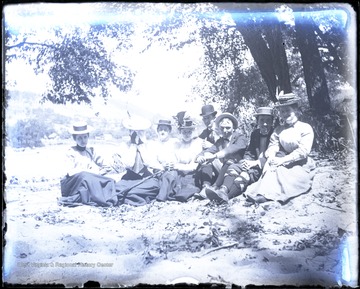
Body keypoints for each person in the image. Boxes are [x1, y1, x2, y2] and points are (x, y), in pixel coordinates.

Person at [244, 93, 316, 205]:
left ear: (295, 110)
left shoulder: (305, 128)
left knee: (281, 170)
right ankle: (262, 194)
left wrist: (282, 160)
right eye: (282, 111)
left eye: (288, 110)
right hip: (282, 160)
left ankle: (268, 196)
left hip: (300, 163)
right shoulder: (278, 130)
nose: (285, 114)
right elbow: (273, 145)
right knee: (272, 166)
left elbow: (303, 151)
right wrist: (271, 157)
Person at [205, 107, 275, 203]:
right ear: (257, 121)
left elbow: (274, 155)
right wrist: (247, 160)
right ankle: (223, 190)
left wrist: (255, 163)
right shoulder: (255, 134)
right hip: (251, 164)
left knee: (244, 176)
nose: (265, 124)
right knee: (233, 167)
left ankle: (226, 197)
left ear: (272, 122)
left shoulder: (275, 134)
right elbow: (249, 152)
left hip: (266, 166)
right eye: (262, 120)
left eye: (268, 120)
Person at [59, 122, 118, 207]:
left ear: (88, 137)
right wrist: (89, 172)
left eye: (85, 137)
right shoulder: (70, 152)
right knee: (85, 176)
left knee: (109, 181)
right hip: (73, 184)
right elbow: (70, 172)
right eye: (79, 138)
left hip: (87, 180)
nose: (83, 140)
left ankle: (107, 198)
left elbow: (106, 166)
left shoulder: (90, 151)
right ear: (75, 139)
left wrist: (98, 173)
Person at [195, 112, 248, 198]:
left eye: (228, 128)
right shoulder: (220, 141)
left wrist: (216, 155)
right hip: (223, 170)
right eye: (222, 128)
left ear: (233, 127)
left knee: (229, 160)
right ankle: (205, 187)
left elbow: (234, 148)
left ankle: (216, 187)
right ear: (219, 128)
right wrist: (199, 157)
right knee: (207, 155)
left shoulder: (240, 137)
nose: (225, 131)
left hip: (237, 170)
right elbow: (210, 150)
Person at [155, 114, 203, 202]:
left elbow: (193, 166)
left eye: (189, 132)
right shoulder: (177, 144)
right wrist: (170, 165)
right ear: (180, 132)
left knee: (185, 190)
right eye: (184, 132)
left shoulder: (197, 144)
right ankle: (161, 196)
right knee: (169, 176)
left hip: (192, 174)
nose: (187, 134)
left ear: (193, 132)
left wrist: (177, 166)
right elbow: (173, 160)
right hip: (179, 174)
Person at [114, 114, 160, 206]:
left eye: (140, 132)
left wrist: (142, 145)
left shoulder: (150, 145)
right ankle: (133, 196)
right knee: (117, 188)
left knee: (154, 186)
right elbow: (128, 164)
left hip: (146, 178)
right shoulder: (124, 145)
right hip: (129, 178)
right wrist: (133, 145)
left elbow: (149, 163)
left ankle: (131, 196)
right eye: (133, 131)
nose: (136, 134)